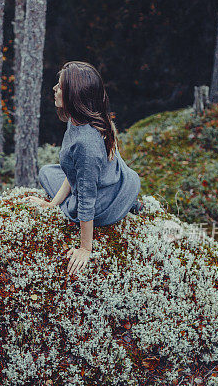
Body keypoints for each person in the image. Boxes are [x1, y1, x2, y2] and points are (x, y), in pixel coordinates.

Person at [24, 61, 142, 277]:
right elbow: (74, 170)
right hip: (114, 181)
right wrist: (52, 204)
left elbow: (87, 199)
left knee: (62, 192)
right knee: (48, 171)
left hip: (101, 202)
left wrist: (85, 248)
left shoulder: (86, 144)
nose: (54, 89)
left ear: (73, 95)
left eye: (60, 86)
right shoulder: (79, 120)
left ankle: (121, 206)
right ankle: (126, 201)